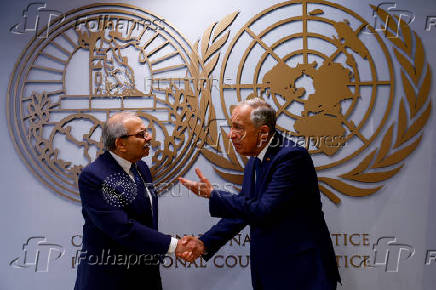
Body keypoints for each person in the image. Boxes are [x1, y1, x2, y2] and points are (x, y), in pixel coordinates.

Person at [179, 98, 341, 290]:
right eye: (232, 127)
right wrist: (204, 243)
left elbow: (265, 209)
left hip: (302, 274)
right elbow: (244, 211)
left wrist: (214, 195)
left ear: (263, 132)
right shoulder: (255, 160)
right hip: (270, 273)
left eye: (238, 128)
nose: (231, 135)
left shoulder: (291, 157)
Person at [74, 111, 197, 290]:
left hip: (146, 276)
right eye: (141, 134)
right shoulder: (94, 176)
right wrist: (175, 245)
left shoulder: (141, 168)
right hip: (109, 280)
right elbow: (122, 228)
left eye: (147, 132)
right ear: (121, 144)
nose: (149, 138)